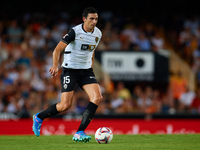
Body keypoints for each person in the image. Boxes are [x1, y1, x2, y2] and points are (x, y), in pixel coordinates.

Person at [32, 7, 103, 143]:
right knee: (65, 105)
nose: (94, 22)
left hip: (86, 70)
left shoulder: (98, 33)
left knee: (97, 97)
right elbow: (57, 50)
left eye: (96, 19)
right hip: (70, 70)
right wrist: (55, 65)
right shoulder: (74, 32)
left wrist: (91, 67)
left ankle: (80, 132)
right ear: (84, 19)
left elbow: (91, 51)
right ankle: (39, 117)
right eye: (91, 19)